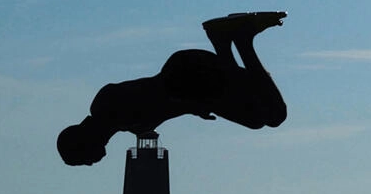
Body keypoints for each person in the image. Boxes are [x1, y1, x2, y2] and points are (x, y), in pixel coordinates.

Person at [58, 12, 288, 166]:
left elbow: (159, 96)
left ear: (84, 143)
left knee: (272, 114)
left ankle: (236, 38)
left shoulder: (111, 110)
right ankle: (230, 38)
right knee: (261, 116)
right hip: (193, 83)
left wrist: (191, 106)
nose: (90, 163)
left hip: (190, 75)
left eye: (84, 159)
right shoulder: (119, 120)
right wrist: (192, 109)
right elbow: (162, 102)